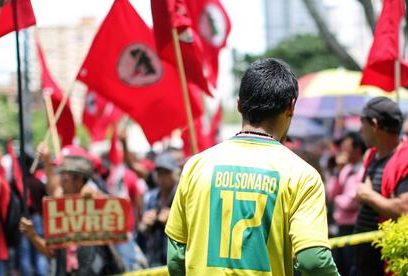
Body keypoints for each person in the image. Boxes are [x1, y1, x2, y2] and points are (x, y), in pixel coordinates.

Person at [165, 58, 339, 276]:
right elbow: (314, 262)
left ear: (238, 104)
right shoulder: (302, 175)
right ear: (291, 107)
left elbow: (176, 257)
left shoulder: (196, 166)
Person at [19, 145, 123, 275]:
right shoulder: (61, 212)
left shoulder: (96, 202)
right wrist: (32, 235)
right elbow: (51, 253)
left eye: (64, 178)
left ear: (79, 180)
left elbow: (115, 210)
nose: (60, 182)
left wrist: (95, 199)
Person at [354, 97, 408, 276]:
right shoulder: (372, 156)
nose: (360, 130)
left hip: (387, 265)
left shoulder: (404, 159)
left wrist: (367, 195)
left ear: (374, 125)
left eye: (362, 123)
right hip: (364, 261)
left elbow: (404, 208)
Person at [326, 132, 366, 276]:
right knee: (339, 267)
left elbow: (351, 202)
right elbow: (330, 193)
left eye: (346, 147)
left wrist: (337, 199)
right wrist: (337, 171)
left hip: (353, 228)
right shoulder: (345, 169)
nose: (342, 151)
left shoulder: (363, 170)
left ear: (357, 148)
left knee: (351, 267)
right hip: (340, 227)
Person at [138, 152, 179, 267]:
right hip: (154, 260)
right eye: (159, 173)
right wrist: (145, 223)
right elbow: (141, 232)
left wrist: (173, 222)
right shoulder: (150, 197)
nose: (162, 178)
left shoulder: (181, 196)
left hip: (175, 261)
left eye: (166, 173)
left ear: (175, 173)